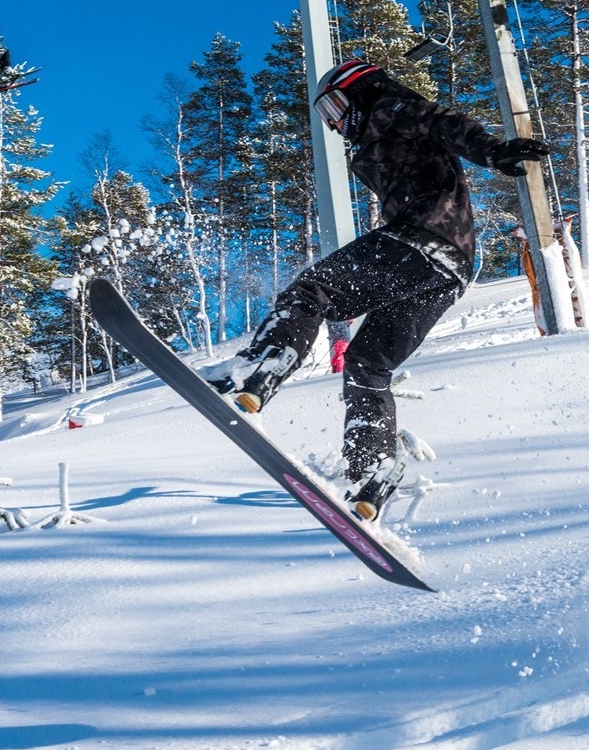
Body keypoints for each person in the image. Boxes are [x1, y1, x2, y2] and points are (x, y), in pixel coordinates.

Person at [204, 58, 551, 519]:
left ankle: (260, 367)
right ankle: (372, 471)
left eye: (333, 106)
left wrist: (492, 151)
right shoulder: (379, 132)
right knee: (368, 363)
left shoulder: (389, 108)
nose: (334, 122)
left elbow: (442, 121)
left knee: (311, 291)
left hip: (422, 240)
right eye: (326, 116)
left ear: (359, 90)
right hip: (450, 270)